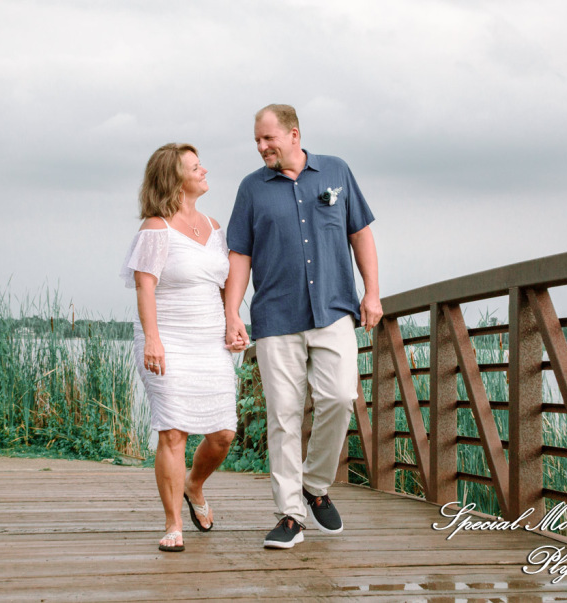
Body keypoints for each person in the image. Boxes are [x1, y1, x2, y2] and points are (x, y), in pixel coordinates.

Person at [224, 104, 382, 549]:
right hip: (276, 318)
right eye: (256, 140)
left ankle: (314, 484)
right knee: (284, 416)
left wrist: (372, 292)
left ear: (294, 134)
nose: (261, 147)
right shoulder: (251, 189)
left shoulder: (336, 171)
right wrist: (232, 312)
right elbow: (240, 254)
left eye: (268, 139)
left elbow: (360, 235)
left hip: (334, 310)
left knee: (339, 397)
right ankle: (290, 514)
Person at [120, 143, 247, 553]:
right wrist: (152, 338)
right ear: (175, 178)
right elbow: (145, 286)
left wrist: (234, 320)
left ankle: (195, 484)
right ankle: (173, 523)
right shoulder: (155, 228)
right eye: (195, 167)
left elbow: (227, 281)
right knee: (173, 431)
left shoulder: (214, 225)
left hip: (211, 341)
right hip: (168, 338)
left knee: (224, 433)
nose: (204, 170)